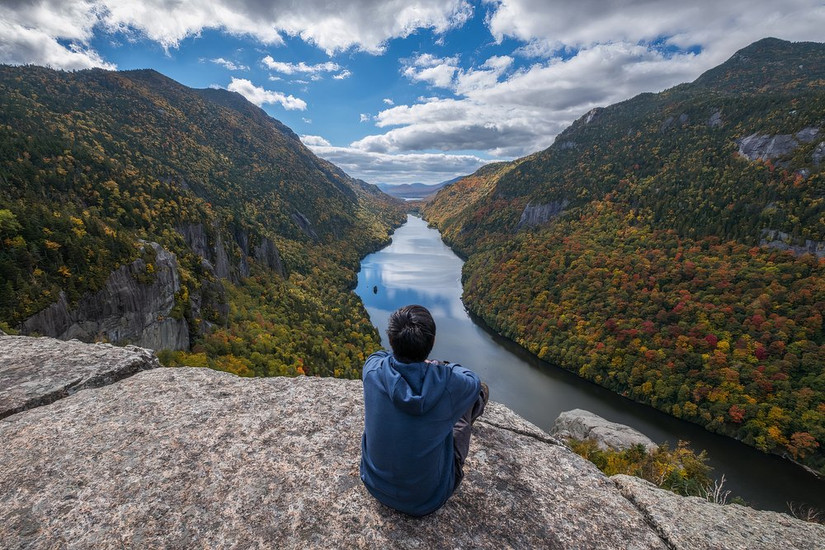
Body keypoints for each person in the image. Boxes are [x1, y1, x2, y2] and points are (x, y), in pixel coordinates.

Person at [360, 304, 489, 516]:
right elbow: (473, 381)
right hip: (427, 499)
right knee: (476, 396)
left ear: (391, 340)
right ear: (433, 341)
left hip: (374, 483)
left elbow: (378, 355)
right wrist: (438, 366)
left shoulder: (373, 370)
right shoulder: (448, 384)